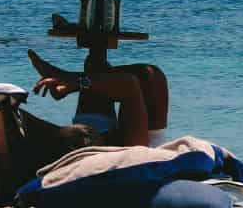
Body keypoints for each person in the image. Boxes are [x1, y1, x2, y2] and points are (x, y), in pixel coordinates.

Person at [26, 49, 170, 148]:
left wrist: (73, 81)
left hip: (100, 142)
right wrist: (73, 81)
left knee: (95, 65)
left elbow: (128, 84)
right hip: (140, 148)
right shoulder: (149, 158)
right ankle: (64, 80)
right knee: (150, 75)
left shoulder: (137, 159)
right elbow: (129, 83)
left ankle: (63, 79)